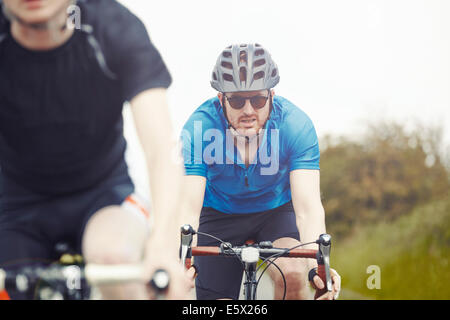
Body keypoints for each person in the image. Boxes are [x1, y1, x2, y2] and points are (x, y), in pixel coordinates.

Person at [0, 0, 191, 299]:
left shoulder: (112, 27)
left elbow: (162, 148)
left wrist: (163, 245)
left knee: (113, 257)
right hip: (15, 207)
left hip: (103, 197)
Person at [180, 43, 341, 300]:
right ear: (221, 99)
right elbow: (187, 207)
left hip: (275, 212)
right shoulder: (199, 128)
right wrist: (181, 259)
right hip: (218, 215)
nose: (248, 110)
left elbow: (308, 209)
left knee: (294, 274)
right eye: (236, 100)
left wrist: (317, 268)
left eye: (257, 99)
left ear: (272, 95)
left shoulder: (295, 126)